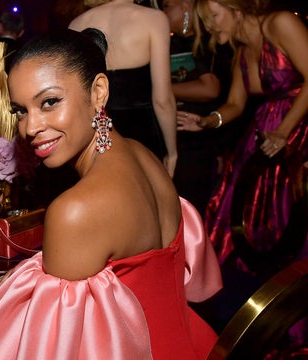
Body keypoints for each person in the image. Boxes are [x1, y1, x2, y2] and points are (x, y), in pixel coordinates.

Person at [0, 29, 222, 360]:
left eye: (50, 102)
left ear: (99, 92)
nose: (31, 127)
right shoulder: (145, 158)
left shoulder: (74, 211)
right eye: (21, 110)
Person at [177, 0, 308, 276]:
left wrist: (284, 131)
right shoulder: (242, 51)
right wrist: (207, 121)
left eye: (213, 15)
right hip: (267, 134)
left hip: (299, 129)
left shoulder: (279, 22)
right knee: (247, 215)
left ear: (235, 7)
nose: (209, 25)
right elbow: (235, 104)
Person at [69, 0, 179, 177]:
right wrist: (172, 152)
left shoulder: (76, 24)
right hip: (142, 133)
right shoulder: (154, 19)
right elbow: (163, 100)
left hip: (95, 133)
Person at [160, 0, 234, 213]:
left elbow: (210, 89)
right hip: (173, 140)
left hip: (200, 141)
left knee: (194, 210)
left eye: (167, 6)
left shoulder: (208, 42)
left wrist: (159, 90)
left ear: (185, 6)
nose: (161, 12)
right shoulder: (165, 43)